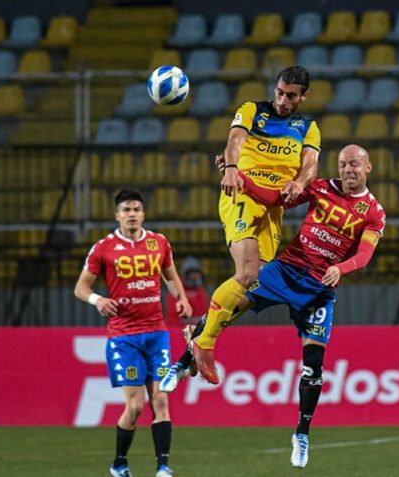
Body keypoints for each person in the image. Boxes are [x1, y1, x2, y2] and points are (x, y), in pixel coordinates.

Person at [162, 145, 386, 469]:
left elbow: (364, 255)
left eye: (354, 164)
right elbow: (275, 197)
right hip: (285, 270)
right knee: (230, 306)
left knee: (313, 365)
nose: (347, 169)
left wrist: (343, 268)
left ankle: (302, 434)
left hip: (320, 288)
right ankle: (183, 363)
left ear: (369, 168)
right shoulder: (322, 187)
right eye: (342, 164)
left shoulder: (373, 212)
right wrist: (235, 172)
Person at [192, 65, 322, 385]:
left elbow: (310, 166)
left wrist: (300, 183)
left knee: (254, 283)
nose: (282, 100)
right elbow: (235, 139)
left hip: (273, 207)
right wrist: (232, 168)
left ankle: (201, 328)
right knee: (248, 271)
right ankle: (204, 342)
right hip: (242, 192)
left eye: (291, 95)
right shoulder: (253, 110)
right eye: (279, 92)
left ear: (303, 97)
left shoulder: (307, 127)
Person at [74, 189, 192, 477]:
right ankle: (119, 463)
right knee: (136, 406)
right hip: (124, 336)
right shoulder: (103, 248)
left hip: (156, 333)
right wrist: (98, 300)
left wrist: (181, 298)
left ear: (143, 214)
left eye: (136, 209)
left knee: (161, 399)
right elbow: (81, 288)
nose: (132, 214)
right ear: (117, 216)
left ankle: (163, 467)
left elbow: (170, 275)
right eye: (126, 210)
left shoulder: (159, 243)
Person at [164, 255, 209, 328]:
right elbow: (173, 317)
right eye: (192, 274)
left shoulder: (201, 290)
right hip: (177, 331)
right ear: (185, 274)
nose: (195, 277)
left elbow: (203, 312)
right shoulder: (176, 289)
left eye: (196, 274)